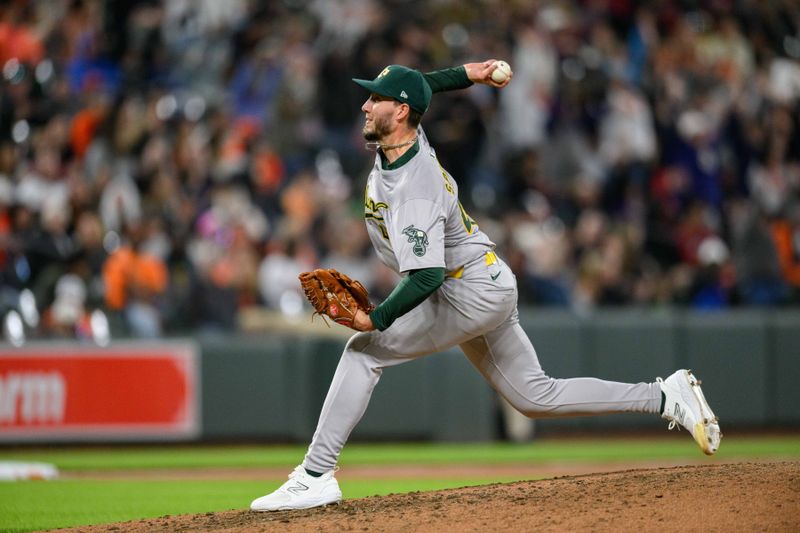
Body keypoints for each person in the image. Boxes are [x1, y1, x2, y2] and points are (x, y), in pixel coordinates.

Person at [250, 60, 722, 512]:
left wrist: (375, 318)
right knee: (536, 396)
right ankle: (666, 395)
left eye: (375, 98)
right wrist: (469, 74)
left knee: (364, 349)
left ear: (399, 113)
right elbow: (423, 86)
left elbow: (427, 276)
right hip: (484, 280)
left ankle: (315, 476)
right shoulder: (408, 137)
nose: (364, 106)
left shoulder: (413, 185)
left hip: (465, 290)